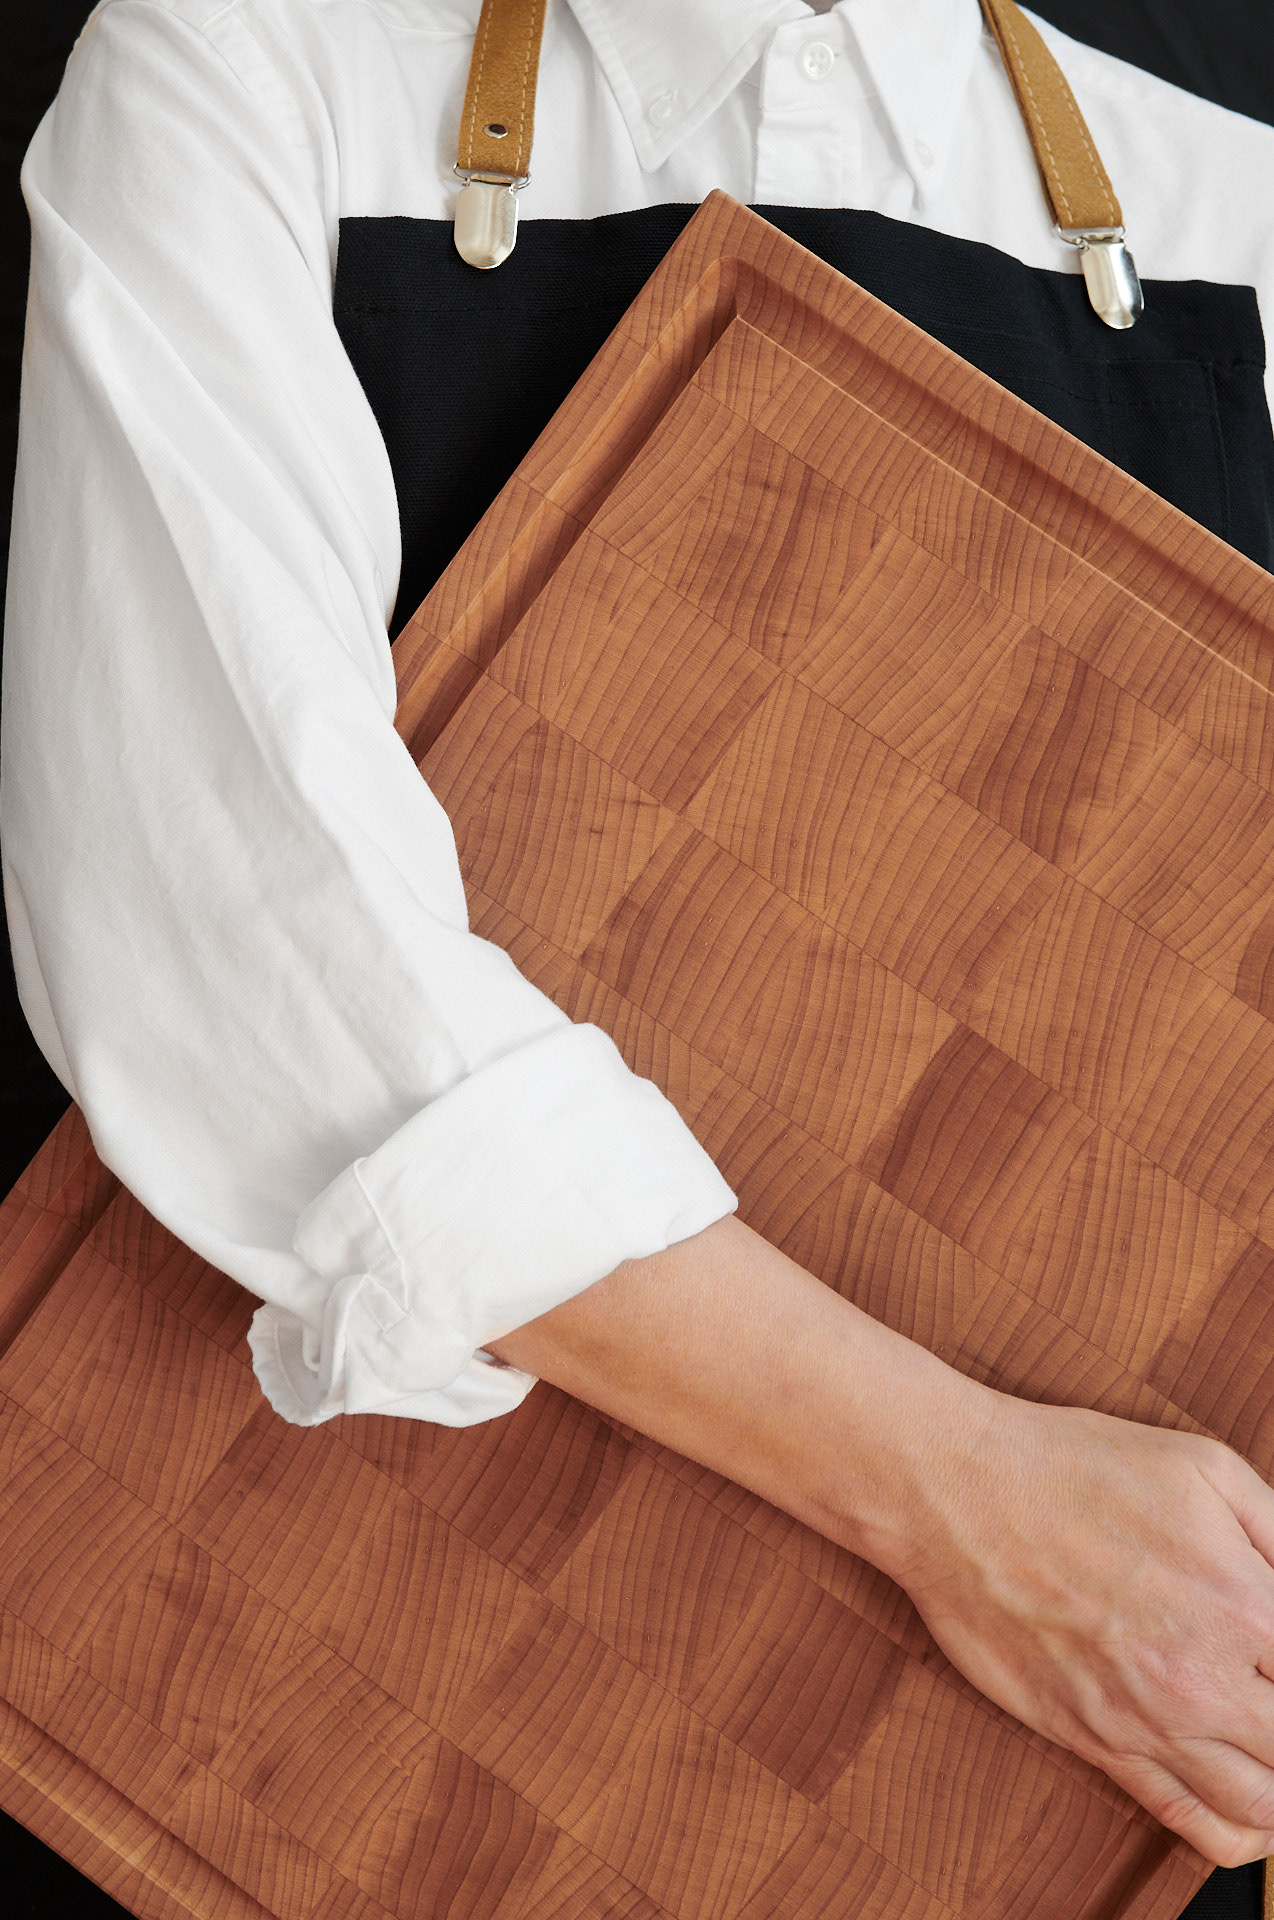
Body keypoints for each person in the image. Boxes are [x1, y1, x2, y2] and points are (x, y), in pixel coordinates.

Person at [5, 0, 1274, 1903]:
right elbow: (238, 927)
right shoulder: (248, 62)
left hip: (1035, 1798)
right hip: (321, 1704)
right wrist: (971, 1502)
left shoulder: (1228, 215)